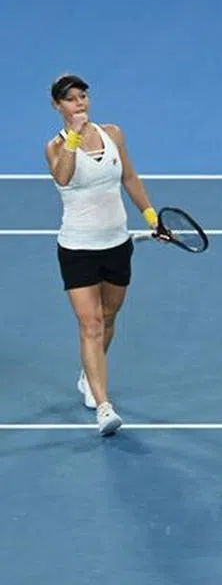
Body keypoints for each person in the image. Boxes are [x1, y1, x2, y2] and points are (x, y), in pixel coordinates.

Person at [45, 74, 161, 436]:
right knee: (91, 325)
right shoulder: (55, 147)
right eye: (70, 99)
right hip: (77, 250)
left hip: (117, 245)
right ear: (57, 106)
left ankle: (88, 375)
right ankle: (104, 406)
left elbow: (129, 178)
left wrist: (152, 217)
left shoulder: (113, 134)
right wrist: (74, 135)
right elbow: (63, 177)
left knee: (108, 318)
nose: (79, 103)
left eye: (82, 96)